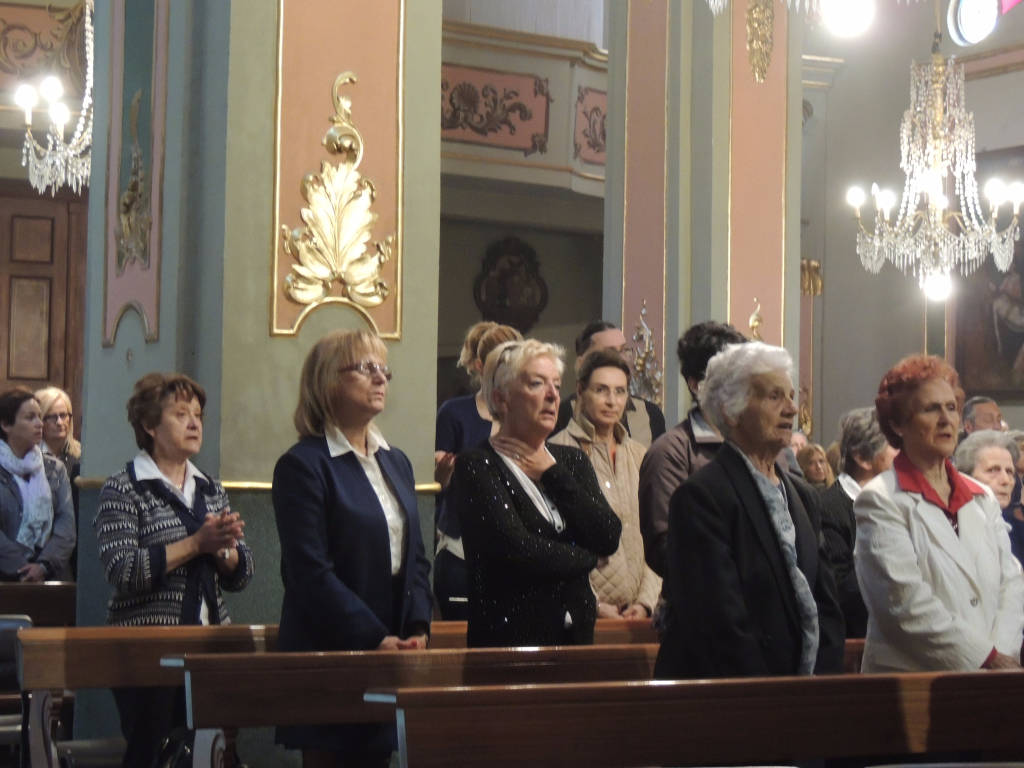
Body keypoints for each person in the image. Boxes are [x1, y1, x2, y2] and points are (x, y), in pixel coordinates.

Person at [273, 329, 432, 766]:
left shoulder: (394, 460)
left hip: (392, 647)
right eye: (365, 369)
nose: (379, 378)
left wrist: (417, 628)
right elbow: (308, 574)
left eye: (383, 369)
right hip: (332, 653)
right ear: (327, 382)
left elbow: (415, 556)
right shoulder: (304, 465)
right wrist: (373, 636)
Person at [654, 342, 844, 679]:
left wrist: (821, 686)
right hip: (734, 701)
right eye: (774, 397)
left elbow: (827, 603)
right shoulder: (702, 497)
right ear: (731, 410)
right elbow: (718, 622)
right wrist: (769, 702)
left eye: (790, 396)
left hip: (804, 699)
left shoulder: (803, 496)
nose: (792, 410)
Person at [94, 373, 253, 766]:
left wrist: (224, 551)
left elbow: (242, 572)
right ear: (149, 425)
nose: (194, 423)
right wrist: (197, 543)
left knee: (214, 753)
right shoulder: (125, 487)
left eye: (197, 414)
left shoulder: (210, 488)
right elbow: (123, 570)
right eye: (180, 414)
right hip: (147, 650)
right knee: (157, 754)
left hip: (210, 647)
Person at [855, 355, 1024, 672]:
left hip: (990, 683)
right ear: (897, 424)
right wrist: (987, 659)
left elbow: (1011, 582)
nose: (947, 419)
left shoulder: (981, 496)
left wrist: (1001, 654)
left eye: (951, 407)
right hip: (913, 686)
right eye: (931, 409)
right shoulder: (879, 500)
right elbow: (904, 605)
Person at [450, 339, 621, 647]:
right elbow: (518, 551)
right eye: (537, 384)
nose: (553, 395)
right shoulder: (477, 465)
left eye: (556, 384)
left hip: (576, 639)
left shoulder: (570, 460)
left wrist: (552, 474)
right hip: (509, 642)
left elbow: (608, 534)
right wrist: (589, 559)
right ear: (502, 399)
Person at [550, 348, 661, 619]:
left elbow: (655, 533)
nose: (612, 401)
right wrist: (592, 604)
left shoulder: (639, 454)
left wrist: (647, 602)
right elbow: (555, 544)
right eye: (601, 390)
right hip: (581, 612)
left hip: (640, 613)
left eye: (620, 391)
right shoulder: (555, 453)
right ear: (580, 391)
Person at [639, 321, 746, 577]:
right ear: (696, 384)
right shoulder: (671, 451)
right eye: (729, 377)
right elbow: (664, 549)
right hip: (702, 605)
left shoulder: (758, 446)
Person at [433, 322, 521, 619]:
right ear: (481, 366)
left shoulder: (527, 414)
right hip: (462, 546)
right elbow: (439, 482)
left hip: (515, 550)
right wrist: (444, 473)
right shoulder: (455, 413)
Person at [818, 407, 897, 638]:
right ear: (862, 457)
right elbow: (843, 589)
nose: (904, 454)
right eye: (894, 445)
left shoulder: (902, 501)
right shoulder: (828, 508)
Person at [0, 388, 75, 582]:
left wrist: (43, 566)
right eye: (30, 417)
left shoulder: (54, 468)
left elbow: (66, 525)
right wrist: (23, 568)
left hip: (49, 575)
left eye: (40, 417)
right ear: (6, 425)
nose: (39, 424)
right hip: (6, 577)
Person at [553, 320, 666, 446]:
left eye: (624, 350)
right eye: (610, 352)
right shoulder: (561, 413)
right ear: (582, 362)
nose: (621, 358)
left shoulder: (650, 413)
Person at [953, 429, 1024, 565]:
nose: (1006, 480)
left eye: (1009, 472)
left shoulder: (999, 522)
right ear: (966, 476)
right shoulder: (955, 525)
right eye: (993, 470)